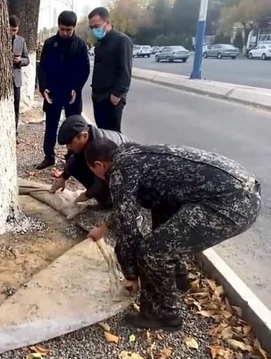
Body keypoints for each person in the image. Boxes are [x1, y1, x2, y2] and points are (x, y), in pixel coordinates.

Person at [84, 139, 261, 331]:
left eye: (94, 172)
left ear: (99, 165)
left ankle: (162, 315)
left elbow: (128, 229)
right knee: (162, 221)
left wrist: (131, 274)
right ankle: (178, 280)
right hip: (242, 186)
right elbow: (125, 210)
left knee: (152, 252)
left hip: (231, 204)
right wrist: (106, 226)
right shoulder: (132, 152)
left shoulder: (119, 170)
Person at [35, 11, 90, 170]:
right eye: (62, 29)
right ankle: (49, 156)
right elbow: (43, 67)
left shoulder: (80, 45)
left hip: (72, 92)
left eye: (69, 30)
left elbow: (84, 70)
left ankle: (73, 159)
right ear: (58, 27)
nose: (65, 33)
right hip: (53, 91)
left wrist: (76, 87)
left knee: (74, 127)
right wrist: (43, 87)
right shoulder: (50, 43)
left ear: (74, 28)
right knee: (51, 125)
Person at [49, 114, 131, 206]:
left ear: (84, 135)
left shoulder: (101, 147)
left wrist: (86, 195)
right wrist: (63, 178)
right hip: (109, 166)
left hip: (127, 169)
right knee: (75, 166)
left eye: (70, 143)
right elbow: (73, 159)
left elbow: (102, 177)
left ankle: (109, 199)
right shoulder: (87, 139)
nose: (68, 147)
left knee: (107, 194)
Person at [88, 7, 133, 132]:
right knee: (102, 133)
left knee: (113, 134)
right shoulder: (99, 44)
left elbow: (125, 70)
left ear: (107, 22)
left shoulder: (122, 41)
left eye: (96, 26)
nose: (94, 30)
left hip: (113, 97)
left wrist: (118, 93)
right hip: (98, 95)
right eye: (91, 27)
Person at [9, 14, 30, 136]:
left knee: (15, 107)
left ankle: (14, 131)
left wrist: (20, 61)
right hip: (4, 80)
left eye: (15, 30)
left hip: (16, 80)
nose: (12, 33)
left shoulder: (21, 41)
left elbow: (27, 59)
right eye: (11, 30)